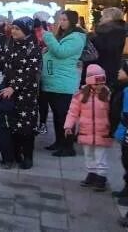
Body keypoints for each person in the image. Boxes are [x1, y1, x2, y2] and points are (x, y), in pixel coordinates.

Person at [0, 16, 42, 170]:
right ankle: (13, 154)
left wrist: (14, 87)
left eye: (17, 29)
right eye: (13, 28)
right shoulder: (8, 44)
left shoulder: (32, 49)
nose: (13, 31)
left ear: (26, 31)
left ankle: (28, 156)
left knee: (26, 127)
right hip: (7, 91)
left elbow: (31, 73)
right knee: (11, 124)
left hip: (26, 94)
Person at [41, 10, 87, 157]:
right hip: (53, 83)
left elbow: (61, 52)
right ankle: (59, 142)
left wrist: (47, 35)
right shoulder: (62, 36)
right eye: (60, 19)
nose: (61, 22)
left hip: (63, 83)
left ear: (72, 21)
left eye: (64, 20)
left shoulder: (76, 38)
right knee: (57, 115)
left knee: (65, 116)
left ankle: (68, 147)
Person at [64, 64, 112, 191]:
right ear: (90, 82)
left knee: (100, 155)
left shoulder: (108, 95)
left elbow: (113, 113)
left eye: (101, 83)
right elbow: (72, 112)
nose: (99, 86)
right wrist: (68, 126)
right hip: (86, 131)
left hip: (102, 132)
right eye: (96, 84)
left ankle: (101, 177)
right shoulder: (80, 96)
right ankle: (91, 174)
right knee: (89, 154)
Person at [93, 7, 127, 90]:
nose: (100, 19)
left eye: (103, 16)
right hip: (120, 74)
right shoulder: (124, 32)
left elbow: (99, 53)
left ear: (110, 18)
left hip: (106, 74)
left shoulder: (106, 33)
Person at [112, 62, 128, 210]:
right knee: (125, 159)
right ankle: (125, 189)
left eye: (122, 69)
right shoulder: (123, 88)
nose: (119, 71)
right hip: (124, 130)